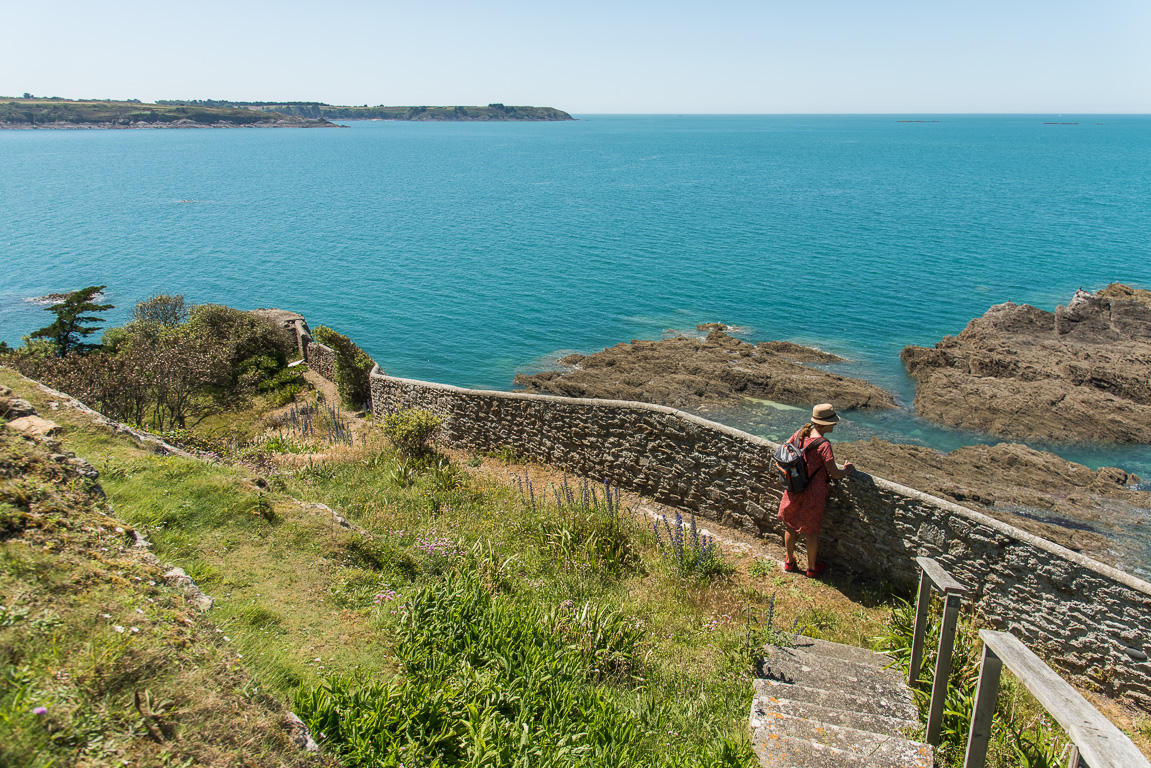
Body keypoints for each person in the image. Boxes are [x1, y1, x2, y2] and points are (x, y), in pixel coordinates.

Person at [778, 403, 855, 577]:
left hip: (795, 486)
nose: (834, 425)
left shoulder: (800, 433)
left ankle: (789, 561)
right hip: (814, 492)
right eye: (832, 422)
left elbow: (785, 449)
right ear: (824, 424)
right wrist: (847, 470)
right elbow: (834, 473)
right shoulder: (823, 445)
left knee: (790, 526)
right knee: (811, 531)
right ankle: (811, 569)